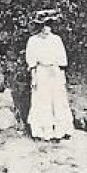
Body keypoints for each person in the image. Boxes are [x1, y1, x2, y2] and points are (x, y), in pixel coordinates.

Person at [25, 9, 72, 141]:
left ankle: (61, 130)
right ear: (40, 26)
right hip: (41, 72)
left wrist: (62, 77)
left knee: (58, 100)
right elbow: (32, 62)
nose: (47, 28)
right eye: (45, 25)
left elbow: (62, 60)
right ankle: (42, 131)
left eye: (49, 25)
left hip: (55, 71)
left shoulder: (56, 40)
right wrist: (34, 78)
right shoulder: (33, 41)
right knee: (42, 100)